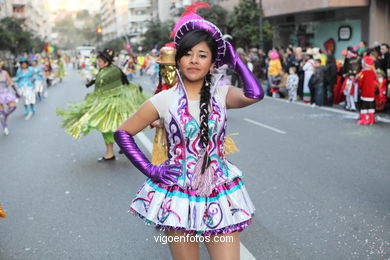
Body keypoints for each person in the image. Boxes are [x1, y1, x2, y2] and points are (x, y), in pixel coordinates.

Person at [114, 10, 263, 260]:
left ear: (212, 63)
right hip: (178, 193)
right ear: (178, 60)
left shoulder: (222, 94)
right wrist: (151, 170)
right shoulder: (164, 99)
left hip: (220, 190)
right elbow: (123, 133)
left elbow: (255, 94)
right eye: (187, 54)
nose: (194, 60)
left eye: (202, 55)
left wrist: (235, 59)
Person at [57, 48, 148, 162]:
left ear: (106, 61)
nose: (98, 63)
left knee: (110, 127)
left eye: (99, 61)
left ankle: (114, 150)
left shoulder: (109, 72)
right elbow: (123, 83)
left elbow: (109, 85)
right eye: (98, 61)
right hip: (110, 102)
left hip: (114, 103)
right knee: (114, 127)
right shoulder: (109, 70)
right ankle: (118, 148)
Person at [357, 56, 377, 125]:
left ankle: (364, 119)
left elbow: (360, 83)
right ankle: (371, 120)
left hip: (364, 92)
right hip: (371, 92)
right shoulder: (373, 73)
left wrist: (360, 89)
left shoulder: (362, 73)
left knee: (364, 106)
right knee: (371, 106)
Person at [0, 61, 18, 135]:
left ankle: (5, 116)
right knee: (0, 113)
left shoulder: (4, 73)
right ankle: (5, 127)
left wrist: (17, 91)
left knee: (13, 107)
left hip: (5, 93)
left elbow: (10, 82)